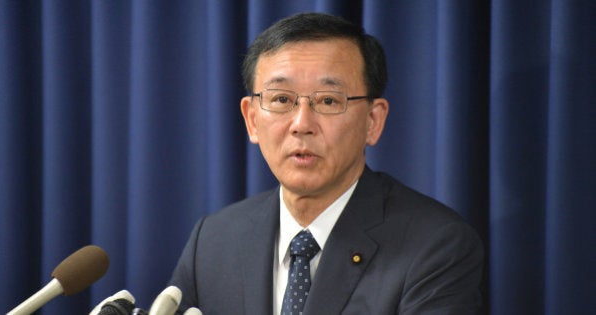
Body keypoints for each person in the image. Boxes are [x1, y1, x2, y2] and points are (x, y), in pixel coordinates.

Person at [169, 13, 484, 314]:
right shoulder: (212, 241)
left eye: (328, 101)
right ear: (252, 119)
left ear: (373, 121)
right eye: (281, 99)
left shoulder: (435, 245)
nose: (302, 124)